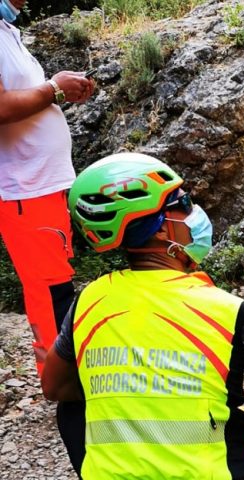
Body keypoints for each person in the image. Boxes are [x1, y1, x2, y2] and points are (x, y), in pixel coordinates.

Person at [42, 153, 244, 480]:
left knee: (73, 407)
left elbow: (54, 386)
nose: (193, 212)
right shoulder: (228, 311)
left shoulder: (90, 299)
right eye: (184, 202)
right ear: (163, 228)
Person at [1, 0, 95, 473]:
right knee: (49, 292)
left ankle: (63, 375)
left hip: (41, 185)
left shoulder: (5, 29)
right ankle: (62, 387)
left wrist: (55, 84)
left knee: (57, 284)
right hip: (23, 190)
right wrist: (54, 88)